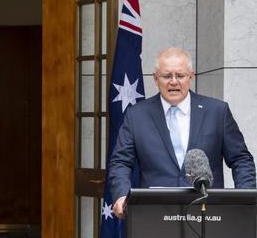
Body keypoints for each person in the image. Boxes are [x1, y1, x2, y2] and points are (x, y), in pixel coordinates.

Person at [108, 47, 255, 218]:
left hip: (208, 214)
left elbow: (240, 159)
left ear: (191, 76)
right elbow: (121, 162)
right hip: (154, 216)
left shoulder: (217, 112)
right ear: (155, 79)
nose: (173, 81)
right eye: (166, 76)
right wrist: (121, 195)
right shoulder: (137, 115)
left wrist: (246, 198)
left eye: (180, 75)